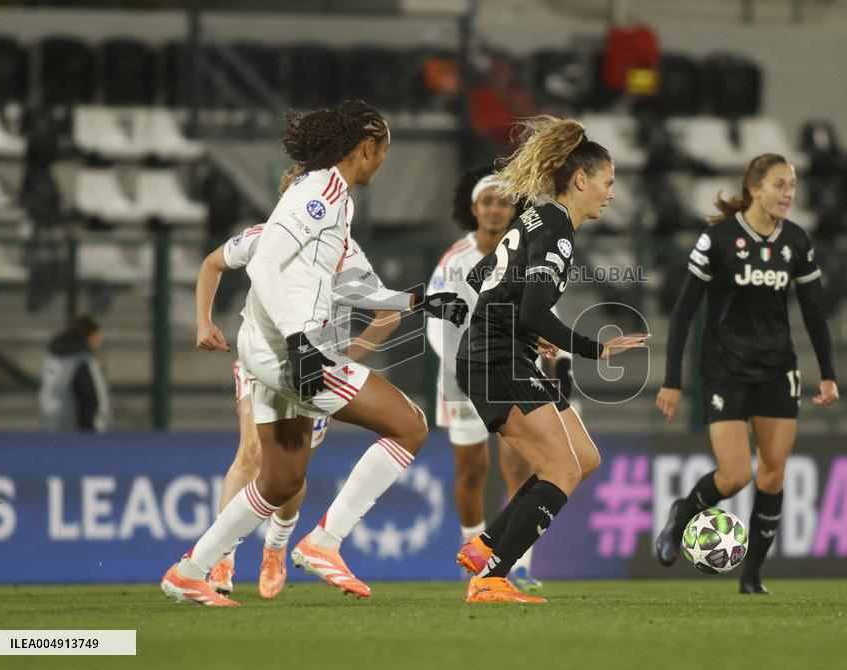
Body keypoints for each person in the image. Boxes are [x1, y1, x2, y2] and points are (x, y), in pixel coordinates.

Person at [161, 99, 468, 606]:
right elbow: (263, 268)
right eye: (384, 152)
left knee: (282, 478)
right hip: (288, 352)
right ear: (366, 148)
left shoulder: (337, 201)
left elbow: (354, 287)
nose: (384, 162)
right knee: (409, 424)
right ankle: (325, 542)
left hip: (274, 349)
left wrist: (418, 300)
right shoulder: (322, 191)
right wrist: (302, 343)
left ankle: (190, 570)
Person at [454, 116, 649, 603]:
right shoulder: (557, 231)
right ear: (581, 180)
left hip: (502, 350)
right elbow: (536, 308)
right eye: (607, 183)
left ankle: (485, 545)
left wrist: (524, 325)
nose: (610, 193)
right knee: (560, 470)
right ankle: (492, 578)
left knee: (583, 459)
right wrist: (595, 348)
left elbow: (483, 276)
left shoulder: (537, 216)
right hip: (496, 358)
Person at [653, 153, 840, 595]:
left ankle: (752, 577)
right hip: (725, 368)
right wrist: (672, 379)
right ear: (755, 189)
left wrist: (828, 373)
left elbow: (815, 313)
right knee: (735, 474)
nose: (789, 194)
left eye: (792, 186)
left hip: (777, 369)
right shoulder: (717, 239)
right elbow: (683, 314)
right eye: (780, 185)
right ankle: (682, 515)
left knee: (773, 474)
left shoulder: (796, 241)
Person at [194, 217, 402, 599]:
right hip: (261, 362)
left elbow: (389, 313)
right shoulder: (262, 239)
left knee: (289, 471)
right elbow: (212, 263)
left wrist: (347, 358)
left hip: (311, 373)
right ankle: (221, 558)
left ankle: (277, 543)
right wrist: (203, 321)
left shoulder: (346, 254)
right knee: (250, 454)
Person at [427, 166, 561, 592]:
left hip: (513, 368)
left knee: (521, 466)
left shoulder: (527, 250)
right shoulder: (454, 262)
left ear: (514, 208)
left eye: (503, 201)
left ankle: (516, 561)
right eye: (487, 201)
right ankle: (474, 552)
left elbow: (542, 310)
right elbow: (437, 319)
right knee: (470, 471)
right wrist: (458, 368)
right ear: (474, 209)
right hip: (462, 375)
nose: (495, 209)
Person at [39, 314, 111, 432]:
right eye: (97, 335)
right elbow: (92, 399)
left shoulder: (51, 357)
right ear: (90, 335)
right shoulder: (84, 361)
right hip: (76, 432)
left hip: (50, 425)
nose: (100, 339)